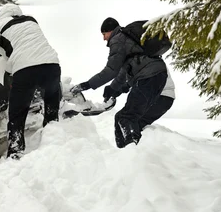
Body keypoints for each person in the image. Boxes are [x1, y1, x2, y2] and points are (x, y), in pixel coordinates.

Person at [0, 4, 61, 159]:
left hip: (26, 69)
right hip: (52, 65)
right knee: (51, 112)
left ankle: (16, 152)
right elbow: (25, 46)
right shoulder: (31, 21)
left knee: (17, 115)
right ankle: (54, 148)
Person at [71, 17, 168, 148]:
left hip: (147, 77)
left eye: (104, 34)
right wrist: (113, 89)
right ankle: (124, 154)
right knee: (121, 117)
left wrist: (87, 85)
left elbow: (111, 70)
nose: (104, 38)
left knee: (126, 118)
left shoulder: (118, 40)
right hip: (157, 76)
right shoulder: (127, 40)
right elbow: (123, 72)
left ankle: (134, 152)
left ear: (110, 31)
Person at [103, 66, 175, 140]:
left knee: (130, 121)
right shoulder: (137, 61)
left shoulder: (145, 60)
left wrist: (116, 90)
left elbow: (133, 81)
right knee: (122, 119)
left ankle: (133, 147)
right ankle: (128, 147)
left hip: (160, 96)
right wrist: (114, 91)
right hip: (160, 97)